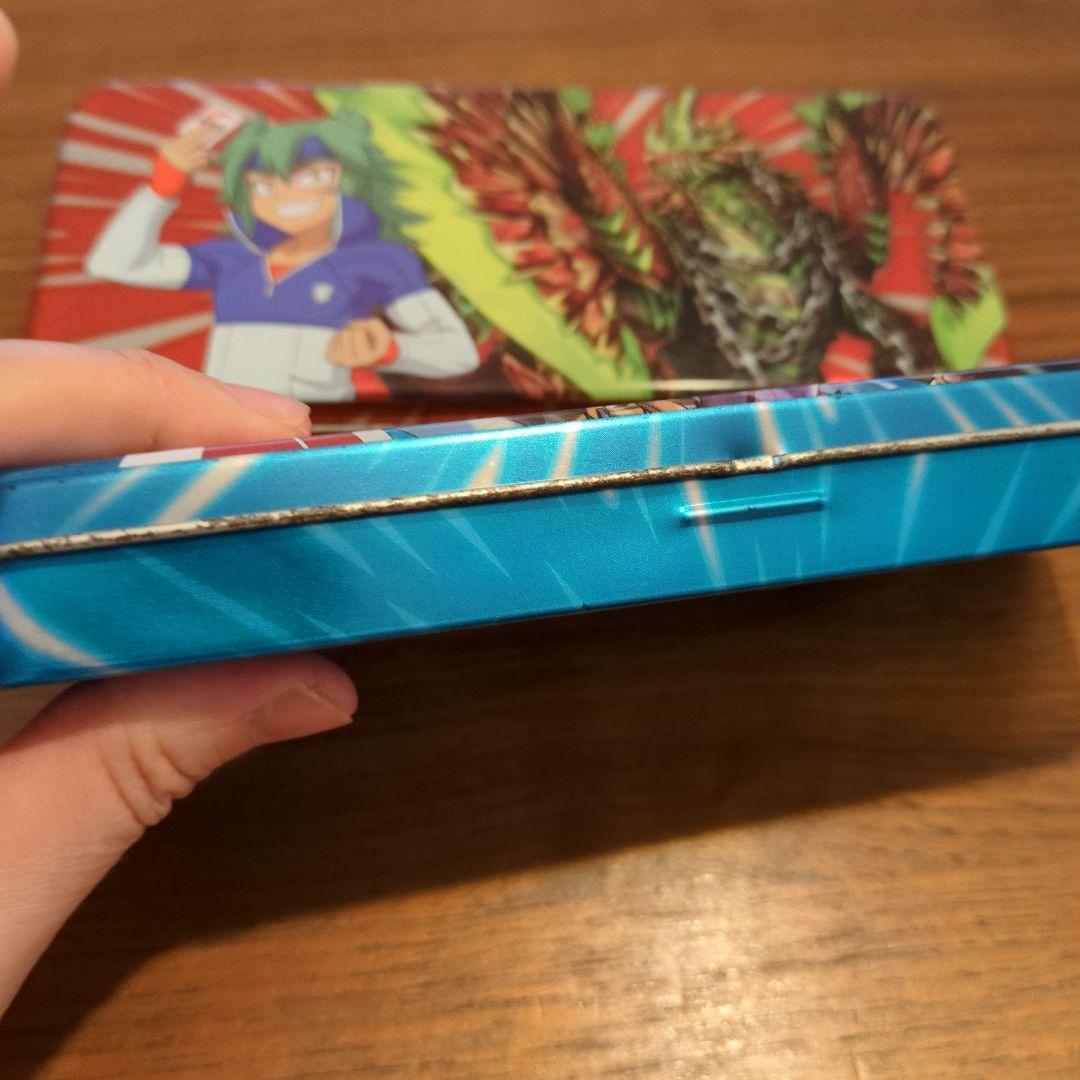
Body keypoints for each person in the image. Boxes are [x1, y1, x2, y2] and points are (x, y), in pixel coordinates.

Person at [0, 13, 358, 1017]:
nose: (296, 197)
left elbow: (442, 344)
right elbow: (125, 261)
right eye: (273, 183)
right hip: (217, 447)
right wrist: (166, 175)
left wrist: (379, 344)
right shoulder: (231, 265)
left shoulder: (373, 269)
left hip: (268, 440)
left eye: (317, 177)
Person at [85, 104, 480, 400]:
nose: (285, 196)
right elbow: (114, 263)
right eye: (263, 185)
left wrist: (393, 349)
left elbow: (457, 353)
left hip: (319, 433)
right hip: (225, 426)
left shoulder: (377, 262)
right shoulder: (231, 259)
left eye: (312, 177)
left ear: (347, 178)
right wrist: (162, 187)